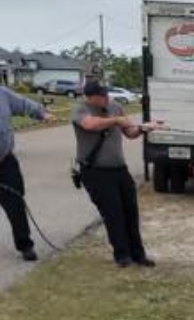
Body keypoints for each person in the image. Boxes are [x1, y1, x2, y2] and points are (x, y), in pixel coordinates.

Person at [72, 82, 165, 267]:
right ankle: (122, 256)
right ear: (90, 97)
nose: (107, 98)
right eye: (102, 96)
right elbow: (90, 125)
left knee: (131, 212)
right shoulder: (81, 109)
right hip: (96, 172)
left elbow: (129, 132)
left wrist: (144, 128)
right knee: (113, 214)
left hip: (119, 169)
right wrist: (115, 120)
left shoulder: (115, 106)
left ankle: (139, 255)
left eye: (106, 94)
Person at [1, 86, 54, 261]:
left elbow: (24, 104)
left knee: (16, 204)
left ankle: (25, 245)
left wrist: (42, 113)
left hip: (5, 161)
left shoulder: (3, 94)